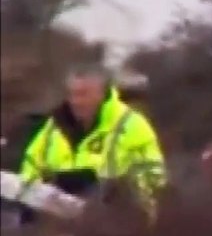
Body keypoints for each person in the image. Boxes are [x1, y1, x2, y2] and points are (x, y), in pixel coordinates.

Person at [20, 64, 166, 208]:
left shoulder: (132, 125)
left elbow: (154, 179)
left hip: (112, 222)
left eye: (84, 94)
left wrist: (107, 190)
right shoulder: (53, 127)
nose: (76, 102)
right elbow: (30, 166)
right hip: (55, 220)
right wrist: (38, 196)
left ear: (102, 94)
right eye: (72, 94)